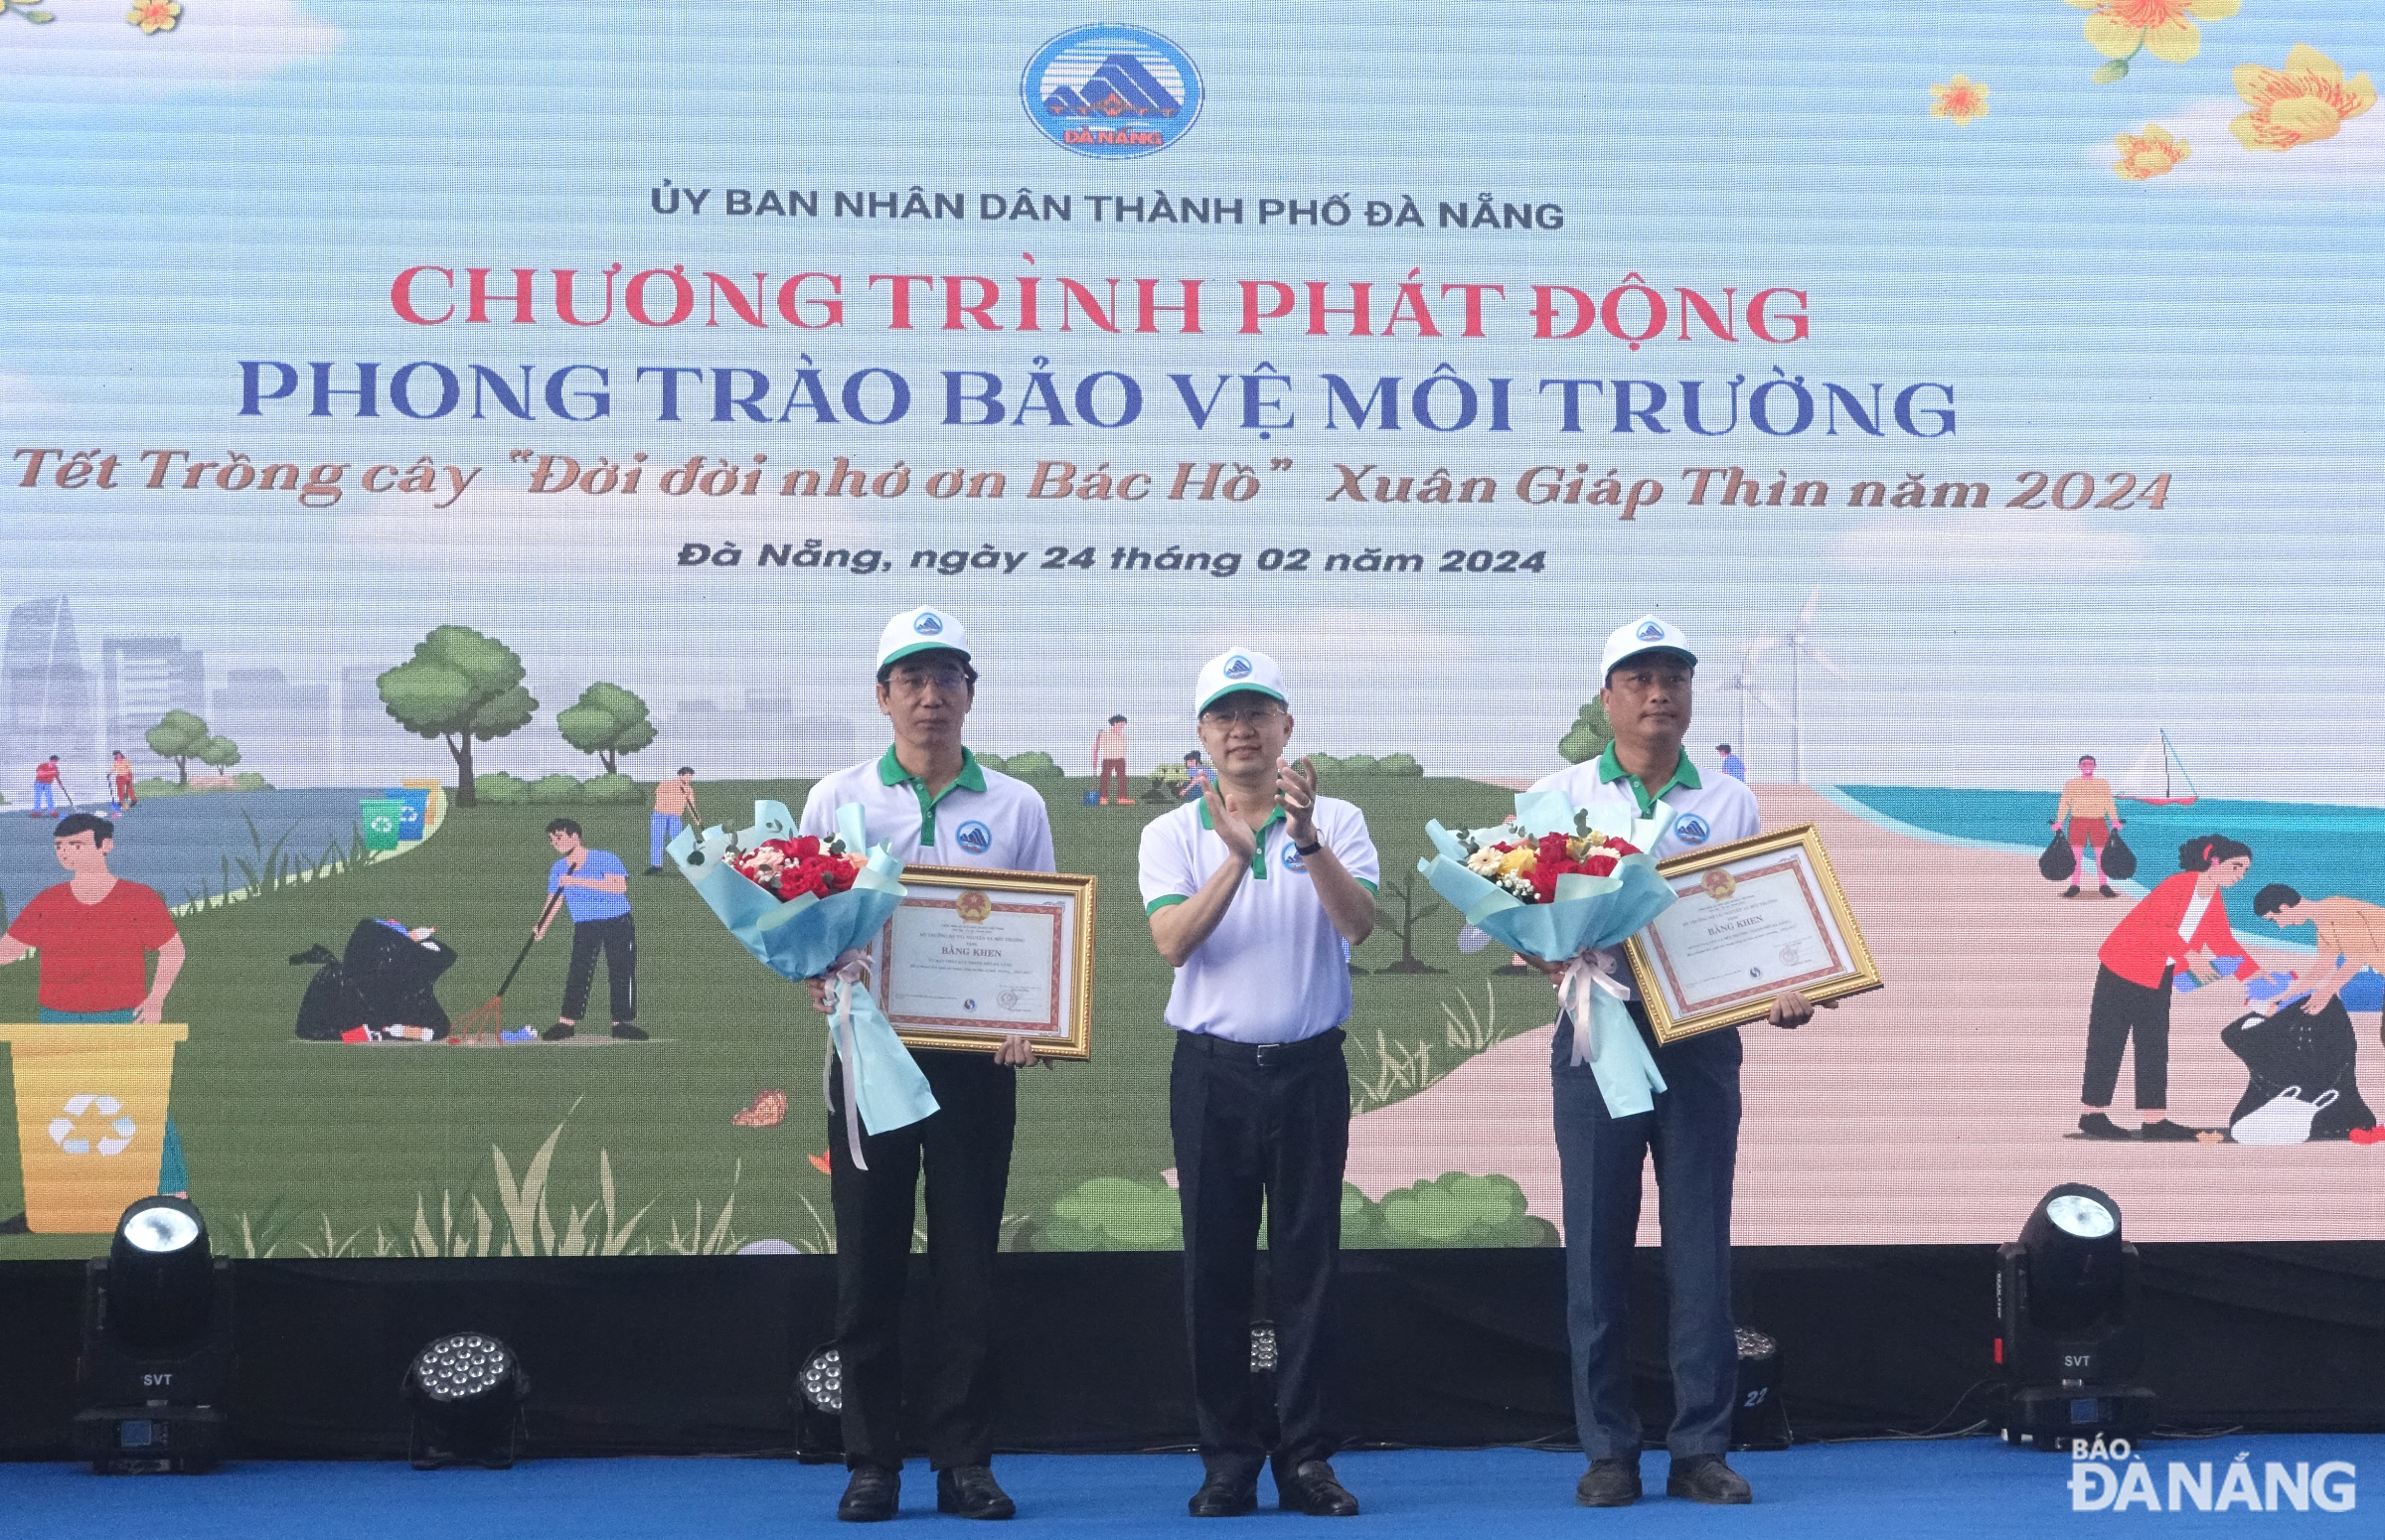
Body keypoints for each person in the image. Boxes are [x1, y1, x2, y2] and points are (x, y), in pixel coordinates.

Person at [1530, 616, 1822, 1509]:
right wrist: (1540, 943)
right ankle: (1608, 1449)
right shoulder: (1559, 795)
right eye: (1641, 678)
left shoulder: (1730, 798)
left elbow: (1759, 922)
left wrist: (1787, 985)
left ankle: (1701, 1446)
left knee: (1700, 1248)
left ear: (1692, 696)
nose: (1660, 694)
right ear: (1608, 696)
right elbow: (1504, 913)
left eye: (1676, 679)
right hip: (1599, 1030)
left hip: (1702, 1041)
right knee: (1597, 1248)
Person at [798, 605, 1053, 1524]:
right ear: (882, 696)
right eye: (912, 679)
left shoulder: (1016, 803)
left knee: (966, 1269)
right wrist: (822, 976)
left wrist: (1036, 1022)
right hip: (868, 1056)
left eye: (948, 678)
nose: (931, 697)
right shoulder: (837, 798)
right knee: (868, 1265)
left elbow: (1039, 944)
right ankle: (871, 1464)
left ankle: (965, 1463)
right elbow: (810, 925)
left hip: (976, 1068)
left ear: (970, 695)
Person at [1138, 648, 1379, 1519]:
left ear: (1287, 729)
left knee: (1310, 1265)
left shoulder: (1339, 820)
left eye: (1258, 714)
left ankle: (1308, 1456)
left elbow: (1357, 927)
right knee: (1216, 1268)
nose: (1242, 730)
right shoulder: (1170, 835)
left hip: (1311, 1068)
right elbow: (1173, 944)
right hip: (1213, 1074)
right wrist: (1235, 858)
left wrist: (1303, 840)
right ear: (1202, 737)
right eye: (1224, 717)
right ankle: (1229, 1458)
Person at [0, 813, 190, 1194]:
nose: (66, 853)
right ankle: (64, 1195)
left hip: (123, 1018)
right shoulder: (48, 901)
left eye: (76, 845)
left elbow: (173, 951)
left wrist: (155, 1000)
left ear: (106, 846)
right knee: (58, 1109)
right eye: (59, 847)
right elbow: (9, 950)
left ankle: (172, 1191)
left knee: (143, 1104)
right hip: (57, 1019)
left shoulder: (138, 897)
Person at [2077, 835, 2259, 1141]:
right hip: (2122, 967)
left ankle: (2154, 1120)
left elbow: (2224, 942)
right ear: (2214, 861)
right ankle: (2092, 1114)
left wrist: (2255, 978)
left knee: (2154, 1045)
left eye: (2244, 871)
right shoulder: (2178, 884)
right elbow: (2154, 928)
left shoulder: (2212, 895)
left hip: (2158, 974)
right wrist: (2189, 954)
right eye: (2236, 867)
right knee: (2108, 1042)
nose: (2240, 875)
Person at [535, 819, 643, 1041]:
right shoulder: (558, 868)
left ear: (575, 836)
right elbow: (554, 900)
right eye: (552, 839)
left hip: (617, 921)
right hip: (585, 924)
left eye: (560, 837)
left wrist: (577, 881)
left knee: (621, 970)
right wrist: (542, 925)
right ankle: (567, 1023)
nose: (555, 843)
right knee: (579, 970)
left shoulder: (604, 858)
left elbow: (619, 887)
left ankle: (621, 1023)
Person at [2250, 885, 2385, 1019]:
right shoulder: (2323, 924)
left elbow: (2356, 960)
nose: (2280, 926)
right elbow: (2323, 966)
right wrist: (2283, 1002)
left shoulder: (2337, 909)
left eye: (2274, 919)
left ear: (2284, 907)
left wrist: (2325, 992)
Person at [2052, 755, 2123, 899]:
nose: (2087, 766)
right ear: (2079, 766)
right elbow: (2064, 803)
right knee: (2076, 856)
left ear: (2095, 766)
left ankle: (2104, 885)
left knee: (2101, 856)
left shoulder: (2102, 783)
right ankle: (2075, 885)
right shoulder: (2072, 784)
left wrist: (2114, 820)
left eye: (2090, 764)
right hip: (2077, 821)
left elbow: (2109, 803)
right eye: (2084, 764)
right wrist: (2059, 821)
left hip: (2098, 821)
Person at [649, 766, 700, 874]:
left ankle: (682, 865)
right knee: (657, 839)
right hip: (660, 815)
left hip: (675, 817)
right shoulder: (667, 784)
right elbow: (659, 795)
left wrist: (696, 819)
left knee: (677, 841)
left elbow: (691, 806)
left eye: (690, 776)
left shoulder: (689, 790)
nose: (689, 778)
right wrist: (668, 805)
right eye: (687, 776)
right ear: (680, 775)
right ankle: (657, 866)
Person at [1092, 714, 1135, 806]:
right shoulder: (1104, 734)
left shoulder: (1122, 736)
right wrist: (1094, 759)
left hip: (1120, 760)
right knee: (1105, 778)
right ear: (1115, 723)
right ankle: (1103, 798)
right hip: (1108, 759)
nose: (1122, 725)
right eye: (1121, 723)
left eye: (1123, 724)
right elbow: (1096, 747)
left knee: (1122, 779)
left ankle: (1122, 798)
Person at [30, 754, 62, 818]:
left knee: (49, 797)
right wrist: (51, 772)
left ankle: (52, 811)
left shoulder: (55, 768)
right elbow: (40, 773)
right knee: (38, 797)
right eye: (54, 761)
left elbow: (57, 776)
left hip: (48, 784)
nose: (55, 762)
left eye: (56, 761)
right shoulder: (43, 765)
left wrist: (60, 784)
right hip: (39, 783)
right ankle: (37, 811)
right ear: (51, 760)